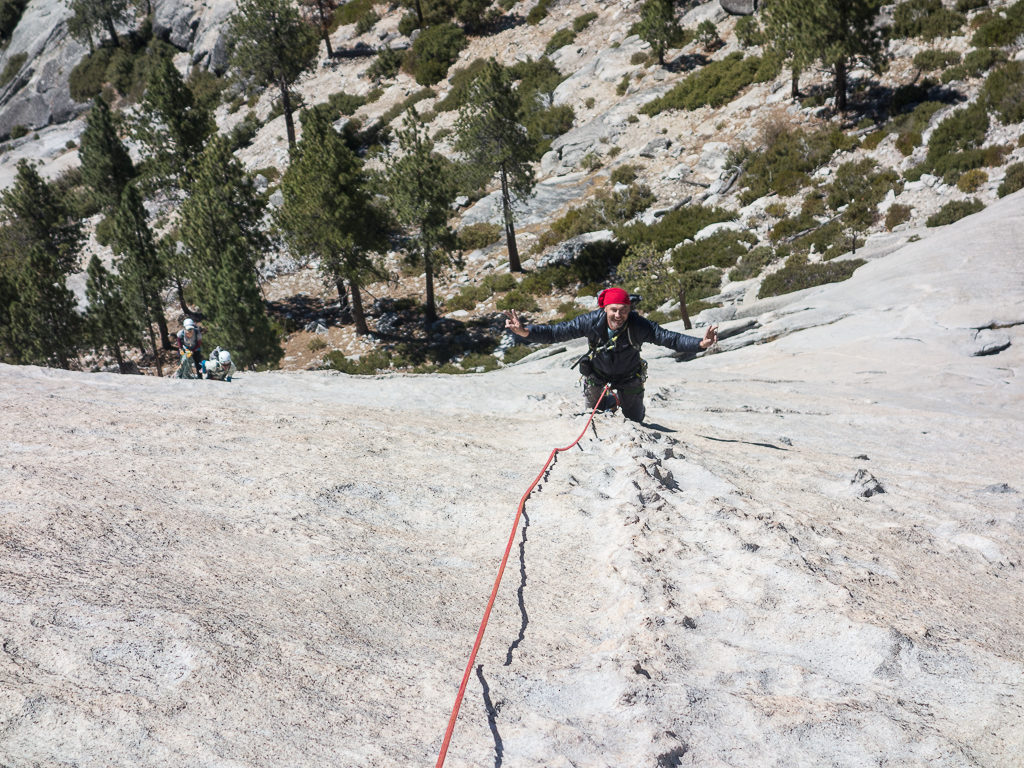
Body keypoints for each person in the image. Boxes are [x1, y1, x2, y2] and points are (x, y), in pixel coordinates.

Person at [504, 287, 717, 423]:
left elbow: (670, 339)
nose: (618, 315)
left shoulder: (638, 325)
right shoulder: (590, 321)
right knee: (593, 414)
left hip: (629, 377)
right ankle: (606, 401)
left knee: (635, 419)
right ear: (605, 308)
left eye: (623, 310)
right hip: (597, 374)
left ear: (629, 309)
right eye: (613, 309)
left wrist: (700, 344)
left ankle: (617, 401)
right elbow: (555, 333)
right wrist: (526, 332)